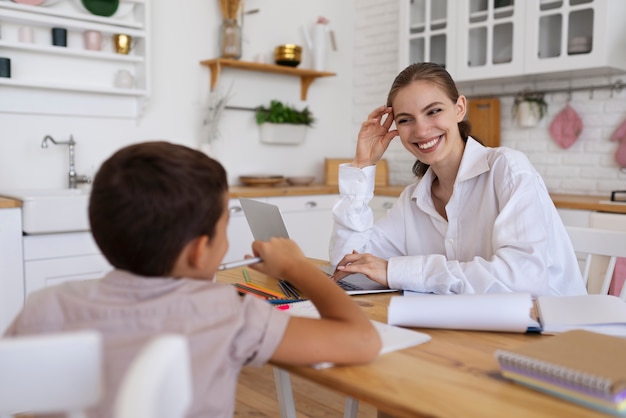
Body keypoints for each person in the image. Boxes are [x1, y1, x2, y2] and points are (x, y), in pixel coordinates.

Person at [4, 141, 381, 418]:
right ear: (200, 251)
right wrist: (297, 267)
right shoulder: (225, 313)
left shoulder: (43, 306)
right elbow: (362, 340)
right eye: (223, 227)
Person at [330, 62, 586, 297]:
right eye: (406, 120)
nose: (421, 130)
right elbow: (346, 264)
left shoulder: (507, 169)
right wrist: (363, 165)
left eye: (433, 111)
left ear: (459, 108)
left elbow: (522, 279)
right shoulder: (414, 200)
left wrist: (397, 271)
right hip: (474, 328)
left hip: (554, 332)